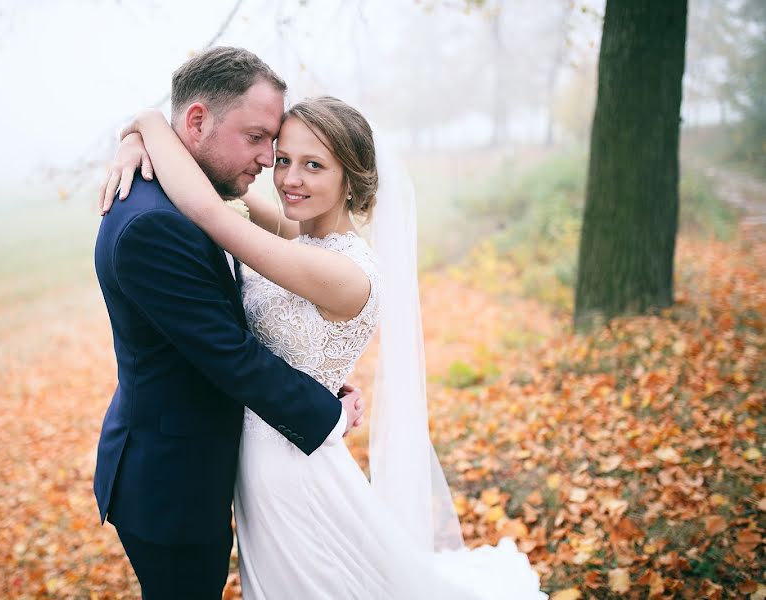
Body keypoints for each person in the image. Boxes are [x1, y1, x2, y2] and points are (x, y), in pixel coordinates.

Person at [103, 55, 548, 598]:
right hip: (265, 454)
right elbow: (224, 186)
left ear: (351, 179)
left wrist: (147, 123)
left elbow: (213, 215)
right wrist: (141, 142)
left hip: (293, 463)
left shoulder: (340, 270)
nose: (284, 174)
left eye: (313, 166)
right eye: (282, 157)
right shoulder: (296, 237)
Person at [92, 47, 366, 600]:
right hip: (171, 484)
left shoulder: (185, 197)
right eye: (258, 138)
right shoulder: (155, 224)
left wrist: (141, 127)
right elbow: (228, 353)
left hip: (220, 465)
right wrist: (327, 415)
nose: (269, 161)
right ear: (196, 121)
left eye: (285, 149)